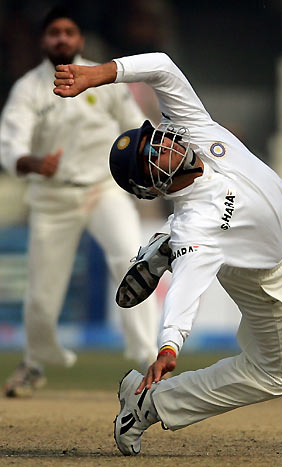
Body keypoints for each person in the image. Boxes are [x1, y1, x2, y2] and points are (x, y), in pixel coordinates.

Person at [53, 52, 282, 456]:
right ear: (154, 183)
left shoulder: (189, 126)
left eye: (157, 138)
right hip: (262, 274)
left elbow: (163, 67)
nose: (166, 142)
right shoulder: (196, 224)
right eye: (155, 152)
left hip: (279, 237)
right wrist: (169, 346)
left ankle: (162, 246)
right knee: (276, 374)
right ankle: (147, 404)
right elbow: (186, 291)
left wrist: (99, 74)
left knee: (271, 366)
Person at [0, 7, 160, 397]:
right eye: (54, 32)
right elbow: (10, 146)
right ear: (44, 40)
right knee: (42, 289)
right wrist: (35, 162)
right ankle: (34, 364)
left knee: (132, 263)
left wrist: (149, 169)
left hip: (103, 189)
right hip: (53, 196)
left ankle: (149, 360)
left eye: (68, 32)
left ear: (80, 40)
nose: (61, 39)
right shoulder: (29, 88)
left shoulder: (102, 78)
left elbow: (136, 126)